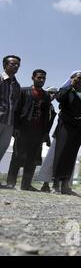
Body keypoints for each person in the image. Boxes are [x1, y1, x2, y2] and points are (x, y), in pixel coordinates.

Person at [6, 70, 52, 191]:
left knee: (31, 159)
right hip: (23, 129)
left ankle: (26, 184)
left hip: (38, 132)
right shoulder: (24, 91)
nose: (41, 80)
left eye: (43, 78)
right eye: (39, 78)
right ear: (33, 78)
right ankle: (10, 183)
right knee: (17, 156)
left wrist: (45, 133)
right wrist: (16, 127)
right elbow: (16, 110)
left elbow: (47, 116)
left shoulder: (46, 96)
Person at [53, 71, 81, 196]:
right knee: (61, 152)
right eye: (78, 78)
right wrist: (69, 85)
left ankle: (65, 185)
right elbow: (59, 98)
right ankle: (56, 184)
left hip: (78, 128)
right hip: (66, 125)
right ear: (72, 79)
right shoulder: (66, 90)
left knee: (72, 155)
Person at [0, 56, 21, 186]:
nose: (16, 66)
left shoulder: (17, 85)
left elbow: (16, 106)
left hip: (9, 123)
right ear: (5, 65)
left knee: (1, 150)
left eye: (18, 65)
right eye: (13, 64)